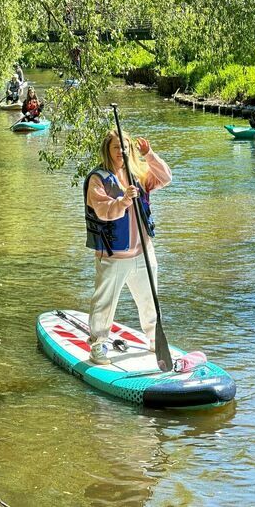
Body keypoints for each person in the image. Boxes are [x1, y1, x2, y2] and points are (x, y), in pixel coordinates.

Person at [83, 131, 172, 365]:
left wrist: (149, 155)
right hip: (114, 255)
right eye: (116, 147)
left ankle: (155, 341)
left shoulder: (139, 174)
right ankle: (98, 346)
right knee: (104, 303)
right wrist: (123, 200)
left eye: (125, 147)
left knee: (150, 301)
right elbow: (102, 210)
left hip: (143, 252)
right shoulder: (98, 179)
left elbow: (165, 178)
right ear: (107, 150)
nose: (121, 152)